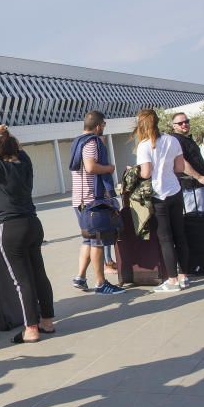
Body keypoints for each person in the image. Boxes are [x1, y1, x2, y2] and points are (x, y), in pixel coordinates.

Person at [0, 123, 56, 341]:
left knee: (22, 280)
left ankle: (31, 329)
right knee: (39, 274)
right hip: (32, 223)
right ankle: (47, 321)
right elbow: (14, 149)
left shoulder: (1, 168)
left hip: (11, 228)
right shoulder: (25, 163)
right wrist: (6, 137)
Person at [69, 110, 125, 294]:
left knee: (88, 238)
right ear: (98, 125)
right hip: (92, 200)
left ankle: (80, 277)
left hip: (79, 199)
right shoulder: (92, 142)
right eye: (104, 125)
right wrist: (110, 168)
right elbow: (91, 166)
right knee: (97, 241)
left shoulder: (77, 142)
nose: (104, 128)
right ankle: (101, 283)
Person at [134, 109, 189, 292]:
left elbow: (146, 173)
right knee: (180, 234)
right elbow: (180, 167)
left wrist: (135, 171)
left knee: (165, 238)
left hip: (158, 195)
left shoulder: (144, 145)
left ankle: (172, 280)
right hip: (175, 189)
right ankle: (184, 275)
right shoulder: (172, 140)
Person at [169, 112, 204, 212]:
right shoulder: (176, 140)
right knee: (195, 218)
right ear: (174, 126)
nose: (184, 124)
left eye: (186, 121)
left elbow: (195, 159)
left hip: (200, 185)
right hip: (190, 187)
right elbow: (182, 163)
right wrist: (199, 177)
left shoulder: (187, 139)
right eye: (180, 123)